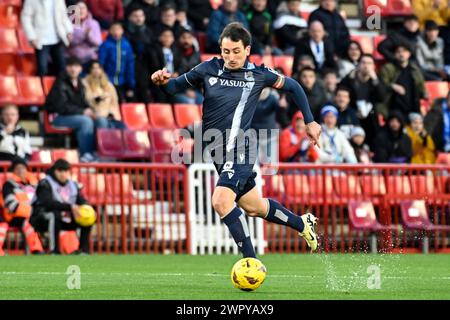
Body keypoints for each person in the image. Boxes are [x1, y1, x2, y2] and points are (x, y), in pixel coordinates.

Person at [151, 22, 322, 257]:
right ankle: (302, 224)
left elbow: (293, 86)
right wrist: (162, 82)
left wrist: (310, 121)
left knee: (221, 201)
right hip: (218, 152)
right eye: (226, 51)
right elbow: (173, 87)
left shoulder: (259, 75)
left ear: (248, 49)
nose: (230, 57)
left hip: (240, 148)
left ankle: (250, 262)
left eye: (236, 51)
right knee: (254, 206)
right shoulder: (208, 69)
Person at [31, 159, 92, 255]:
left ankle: (83, 250)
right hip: (41, 218)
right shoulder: (45, 183)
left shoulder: (73, 185)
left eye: (66, 171)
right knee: (54, 215)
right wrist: (70, 207)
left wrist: (86, 207)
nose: (63, 174)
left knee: (88, 216)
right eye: (60, 170)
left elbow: (80, 200)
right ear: (54, 171)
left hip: (65, 217)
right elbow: (48, 203)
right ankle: (54, 250)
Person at [45, 57, 97, 163]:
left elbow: (83, 102)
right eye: (70, 66)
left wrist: (91, 110)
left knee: (100, 120)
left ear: (80, 69)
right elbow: (61, 107)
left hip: (74, 116)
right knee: (85, 121)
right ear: (66, 68)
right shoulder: (60, 83)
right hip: (58, 117)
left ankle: (100, 153)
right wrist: (83, 112)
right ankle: (86, 154)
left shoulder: (80, 84)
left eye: (76, 66)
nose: (73, 69)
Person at [0, 158, 44, 256]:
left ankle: (61, 250)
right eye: (17, 168)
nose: (20, 170)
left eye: (23, 168)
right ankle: (36, 250)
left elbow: (42, 200)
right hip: (15, 216)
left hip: (34, 214)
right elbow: (11, 205)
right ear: (13, 171)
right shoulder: (8, 185)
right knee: (29, 222)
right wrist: (31, 212)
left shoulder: (34, 184)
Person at [340, 54, 385, 147]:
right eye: (363, 62)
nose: (366, 66)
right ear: (359, 65)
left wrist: (375, 79)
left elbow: (382, 97)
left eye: (369, 63)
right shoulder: (350, 79)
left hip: (370, 119)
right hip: (353, 116)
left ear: (373, 66)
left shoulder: (375, 81)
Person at [21, 0, 73, 76]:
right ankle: (40, 87)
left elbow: (64, 16)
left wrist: (68, 30)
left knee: (62, 68)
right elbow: (25, 17)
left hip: (58, 38)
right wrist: (32, 37)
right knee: (42, 69)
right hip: (41, 40)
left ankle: (61, 87)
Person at [378, 43, 426, 120]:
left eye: (404, 51)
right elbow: (380, 85)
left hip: (413, 108)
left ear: (409, 54)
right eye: (398, 51)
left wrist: (423, 103)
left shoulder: (415, 70)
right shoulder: (388, 68)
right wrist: (392, 86)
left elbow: (421, 88)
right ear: (394, 54)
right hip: (393, 109)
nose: (401, 54)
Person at [99, 22, 136, 103]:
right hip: (108, 81)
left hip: (122, 81)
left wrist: (130, 85)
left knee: (122, 103)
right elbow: (101, 63)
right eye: (113, 29)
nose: (116, 32)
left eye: (118, 29)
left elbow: (130, 65)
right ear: (109, 31)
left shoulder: (126, 45)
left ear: (122, 31)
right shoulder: (105, 45)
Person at [124, 6, 154, 103]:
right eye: (135, 16)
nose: (139, 18)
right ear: (129, 17)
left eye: (141, 16)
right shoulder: (125, 31)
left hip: (146, 68)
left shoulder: (149, 31)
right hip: (130, 67)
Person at [83, 61, 124, 129]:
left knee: (123, 126)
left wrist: (112, 114)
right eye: (93, 68)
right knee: (103, 122)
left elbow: (114, 103)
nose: (96, 70)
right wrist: (97, 99)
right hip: (94, 116)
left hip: (109, 116)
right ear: (89, 70)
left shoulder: (109, 85)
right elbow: (86, 100)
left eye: (98, 68)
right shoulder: (85, 83)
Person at [148, 27, 181, 103]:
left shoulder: (176, 50)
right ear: (159, 37)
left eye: (170, 36)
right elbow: (154, 66)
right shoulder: (154, 50)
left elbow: (181, 65)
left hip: (173, 81)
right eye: (165, 36)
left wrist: (178, 72)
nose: (167, 38)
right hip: (160, 81)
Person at [65, 1, 102, 66]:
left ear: (87, 10)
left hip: (89, 58)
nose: (81, 10)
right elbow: (69, 43)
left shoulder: (94, 23)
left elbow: (98, 43)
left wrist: (89, 36)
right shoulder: (68, 23)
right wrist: (83, 35)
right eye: (78, 8)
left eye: (83, 8)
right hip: (71, 59)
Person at [174, 28, 203, 105]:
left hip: (194, 90)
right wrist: (185, 91)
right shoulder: (174, 54)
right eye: (183, 37)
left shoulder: (197, 55)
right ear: (179, 39)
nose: (186, 40)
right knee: (189, 102)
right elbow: (174, 76)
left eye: (189, 37)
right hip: (179, 91)